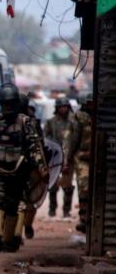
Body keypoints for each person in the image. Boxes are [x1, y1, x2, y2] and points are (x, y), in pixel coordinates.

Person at [0, 84, 47, 253]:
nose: (8, 108)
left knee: (13, 205)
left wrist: (41, 168)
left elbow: (35, 145)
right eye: (5, 104)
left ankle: (9, 239)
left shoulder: (25, 122)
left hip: (19, 172)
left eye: (11, 104)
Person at [15, 94, 45, 240]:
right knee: (18, 201)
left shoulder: (31, 122)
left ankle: (25, 226)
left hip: (30, 167)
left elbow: (39, 145)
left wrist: (41, 166)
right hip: (12, 167)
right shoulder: (5, 120)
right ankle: (15, 233)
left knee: (29, 200)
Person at [44, 97, 77, 218]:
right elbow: (46, 139)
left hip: (69, 158)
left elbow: (75, 139)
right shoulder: (51, 122)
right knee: (53, 185)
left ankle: (66, 211)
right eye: (62, 107)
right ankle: (52, 210)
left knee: (67, 186)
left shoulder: (73, 123)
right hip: (55, 158)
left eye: (66, 106)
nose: (64, 109)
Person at [68, 92, 93, 233]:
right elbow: (73, 139)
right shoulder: (79, 117)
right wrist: (68, 158)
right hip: (82, 157)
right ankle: (83, 218)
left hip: (96, 157)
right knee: (84, 187)